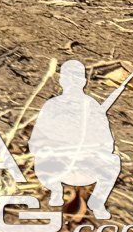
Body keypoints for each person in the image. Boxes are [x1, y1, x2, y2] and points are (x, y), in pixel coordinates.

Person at [28, 60, 123, 219]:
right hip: (56, 165)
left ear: (83, 81)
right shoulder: (52, 105)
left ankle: (97, 202)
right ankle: (56, 191)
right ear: (62, 80)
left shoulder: (92, 106)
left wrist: (90, 148)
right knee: (41, 156)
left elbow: (107, 144)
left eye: (77, 78)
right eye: (69, 78)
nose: (73, 83)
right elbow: (36, 141)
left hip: (84, 165)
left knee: (113, 161)